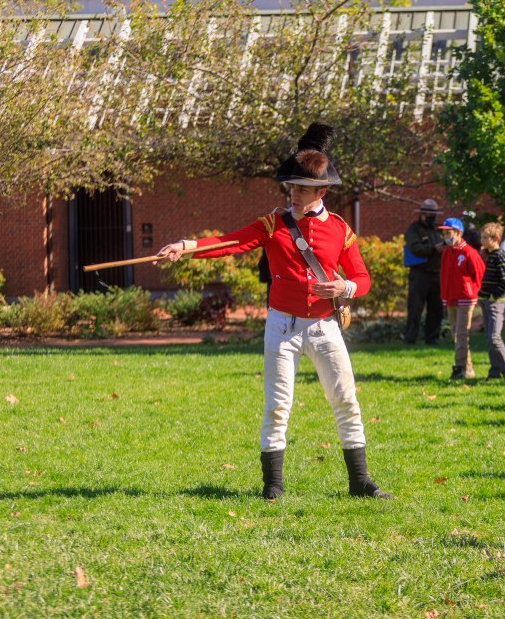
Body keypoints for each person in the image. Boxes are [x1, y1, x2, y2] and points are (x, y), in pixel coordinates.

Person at [157, 122, 391, 500]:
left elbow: (362, 278)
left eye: (302, 189)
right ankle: (273, 485)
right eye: (292, 188)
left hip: (325, 327)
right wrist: (185, 246)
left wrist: (344, 287)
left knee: (346, 400)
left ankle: (360, 482)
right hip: (282, 326)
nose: (294, 195)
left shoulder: (341, 230)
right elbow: (231, 242)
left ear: (321, 191)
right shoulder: (272, 223)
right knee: (278, 404)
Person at [439, 217, 484, 380]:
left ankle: (459, 367)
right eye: (444, 234)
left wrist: (476, 294)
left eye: (448, 233)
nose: (445, 236)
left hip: (466, 299)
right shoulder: (446, 253)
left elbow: (479, 274)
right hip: (451, 298)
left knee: (461, 334)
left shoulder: (469, 253)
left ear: (459, 233)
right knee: (455, 334)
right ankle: (468, 368)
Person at [478, 222, 505, 383]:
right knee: (489, 337)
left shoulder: (501, 255)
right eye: (482, 237)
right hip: (486, 300)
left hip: (495, 302)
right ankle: (495, 371)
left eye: (485, 237)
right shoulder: (490, 255)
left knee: (494, 337)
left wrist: (494, 296)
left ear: (496, 239)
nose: (482, 240)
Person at [402, 199, 444, 345]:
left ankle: (432, 338)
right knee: (415, 308)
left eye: (434, 215)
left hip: (437, 274)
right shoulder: (414, 229)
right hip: (419, 274)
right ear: (423, 214)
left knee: (436, 309)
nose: (433, 217)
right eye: (430, 214)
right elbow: (415, 249)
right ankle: (410, 338)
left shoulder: (438, 230)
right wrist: (433, 249)